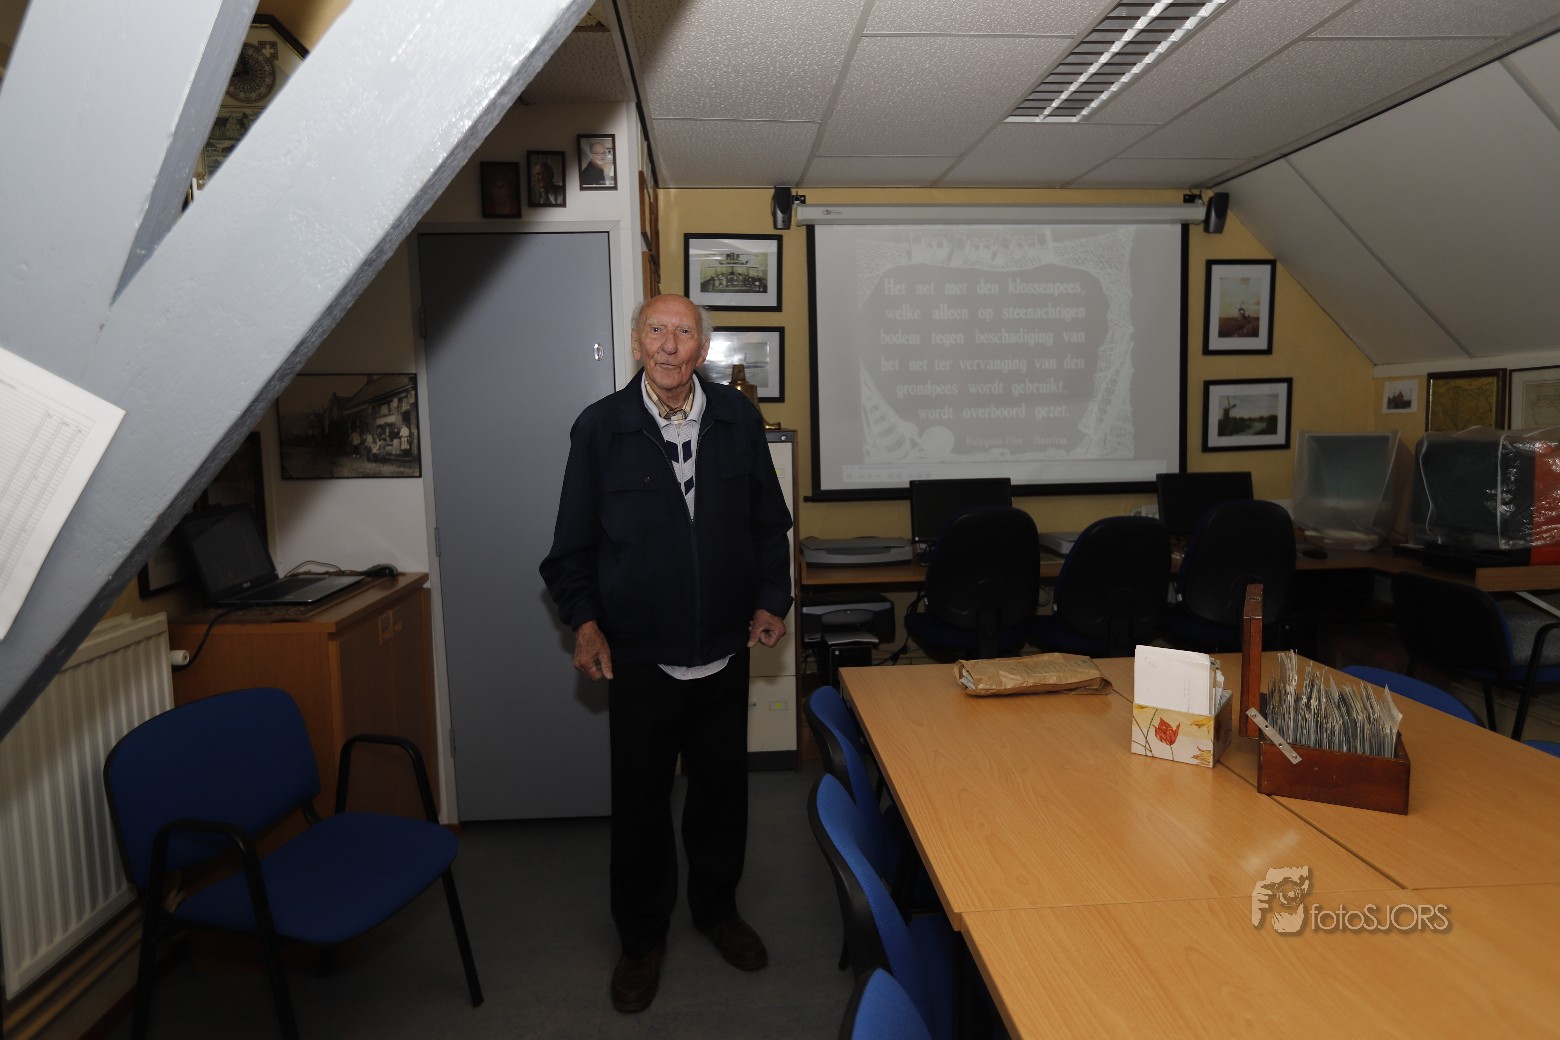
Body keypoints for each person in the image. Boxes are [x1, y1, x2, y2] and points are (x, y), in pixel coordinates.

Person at [539, 294, 792, 1014]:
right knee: (641, 806)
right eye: (657, 330)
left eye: (684, 332)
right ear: (636, 343)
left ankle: (717, 910)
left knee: (721, 796)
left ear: (702, 350)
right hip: (641, 656)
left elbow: (767, 526)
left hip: (723, 651)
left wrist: (772, 599)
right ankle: (642, 938)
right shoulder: (600, 428)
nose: (670, 344)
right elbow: (569, 552)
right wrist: (586, 624)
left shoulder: (738, 420)